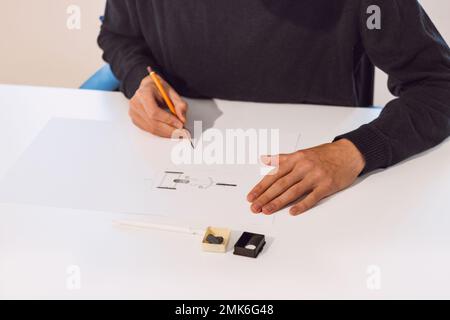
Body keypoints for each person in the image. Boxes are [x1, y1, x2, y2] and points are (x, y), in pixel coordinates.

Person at [98, 0, 450, 216]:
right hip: (173, 181)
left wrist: (354, 151)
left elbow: (438, 84)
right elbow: (119, 35)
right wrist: (139, 81)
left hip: (316, 199)